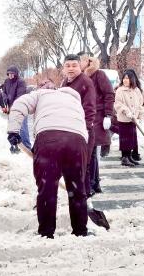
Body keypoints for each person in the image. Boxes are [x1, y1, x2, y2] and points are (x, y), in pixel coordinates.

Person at [7, 79, 89, 238]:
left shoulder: (39, 95)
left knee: (47, 190)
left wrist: (13, 131)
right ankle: (80, 231)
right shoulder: (74, 99)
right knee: (77, 190)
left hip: (48, 141)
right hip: (77, 143)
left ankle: (46, 233)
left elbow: (19, 105)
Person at [61, 54, 96, 198]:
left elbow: (90, 108)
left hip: (82, 130)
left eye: (74, 65)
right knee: (72, 164)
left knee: (83, 164)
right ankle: (78, 193)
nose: (71, 69)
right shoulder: (64, 83)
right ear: (63, 67)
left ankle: (85, 195)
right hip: (68, 129)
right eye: (67, 66)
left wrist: (85, 130)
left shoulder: (85, 82)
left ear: (80, 66)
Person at [80, 53, 114, 195]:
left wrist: (108, 115)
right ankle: (95, 183)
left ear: (87, 61)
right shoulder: (80, 77)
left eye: (81, 60)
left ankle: (93, 185)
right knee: (91, 152)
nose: (79, 63)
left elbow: (109, 94)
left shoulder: (98, 74)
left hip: (98, 117)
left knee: (92, 151)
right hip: (85, 117)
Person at [114, 70, 144, 167]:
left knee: (131, 138)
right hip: (124, 119)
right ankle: (124, 157)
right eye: (124, 78)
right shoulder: (120, 90)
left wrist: (141, 116)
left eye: (127, 78)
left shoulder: (136, 90)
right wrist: (127, 111)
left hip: (133, 119)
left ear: (132, 79)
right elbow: (118, 104)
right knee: (125, 139)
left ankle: (129, 156)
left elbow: (140, 104)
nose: (125, 80)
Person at [2, 66, 31, 150]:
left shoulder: (21, 82)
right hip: (11, 108)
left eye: (12, 74)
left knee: (22, 128)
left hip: (21, 108)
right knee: (13, 129)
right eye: (9, 74)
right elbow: (3, 92)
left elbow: (20, 96)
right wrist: (5, 99)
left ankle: (27, 146)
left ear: (16, 74)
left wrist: (13, 107)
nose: (10, 75)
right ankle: (15, 146)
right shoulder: (6, 81)